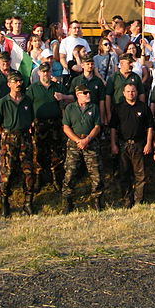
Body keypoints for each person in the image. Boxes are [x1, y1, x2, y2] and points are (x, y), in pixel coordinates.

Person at [26, 63, 73, 191]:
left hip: (55, 124)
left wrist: (63, 97)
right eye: (43, 72)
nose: (46, 74)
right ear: (39, 73)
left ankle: (57, 179)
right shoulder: (33, 88)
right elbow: (27, 106)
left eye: (48, 71)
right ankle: (39, 179)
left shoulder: (57, 87)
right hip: (39, 124)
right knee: (39, 152)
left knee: (56, 152)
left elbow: (73, 97)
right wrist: (29, 122)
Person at [0, 72, 35, 216]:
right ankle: (4, 201)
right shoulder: (3, 102)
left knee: (28, 170)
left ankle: (28, 202)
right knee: (7, 171)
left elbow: (31, 119)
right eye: (14, 81)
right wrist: (5, 135)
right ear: (8, 84)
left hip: (24, 137)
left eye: (20, 81)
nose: (18, 84)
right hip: (8, 138)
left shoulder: (27, 100)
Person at [61, 84, 104, 213]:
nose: (88, 95)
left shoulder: (94, 107)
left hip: (90, 142)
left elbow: (97, 126)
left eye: (89, 92)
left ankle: (97, 200)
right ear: (77, 94)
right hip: (75, 143)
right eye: (85, 93)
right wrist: (78, 140)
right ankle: (68, 202)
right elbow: (66, 127)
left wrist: (87, 139)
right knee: (70, 172)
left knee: (96, 173)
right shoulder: (70, 108)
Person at [110, 83, 153, 207]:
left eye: (133, 91)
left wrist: (149, 143)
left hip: (139, 144)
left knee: (141, 174)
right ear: (123, 93)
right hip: (123, 145)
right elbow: (113, 128)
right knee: (124, 173)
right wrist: (113, 144)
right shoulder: (118, 108)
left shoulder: (144, 107)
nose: (131, 93)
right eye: (128, 91)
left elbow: (150, 126)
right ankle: (127, 199)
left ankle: (139, 200)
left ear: (137, 92)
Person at [105, 53, 146, 123]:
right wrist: (108, 113)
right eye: (129, 63)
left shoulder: (136, 77)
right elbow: (108, 96)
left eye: (132, 63)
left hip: (133, 110)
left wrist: (141, 109)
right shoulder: (113, 78)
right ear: (121, 63)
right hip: (117, 111)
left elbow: (141, 94)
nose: (131, 65)